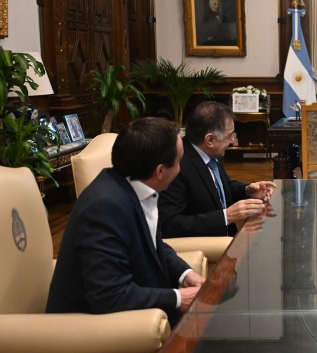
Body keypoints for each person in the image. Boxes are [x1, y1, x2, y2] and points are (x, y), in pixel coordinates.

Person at [46, 118, 205, 327]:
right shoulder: (104, 208)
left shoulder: (134, 186)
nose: (180, 170)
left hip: (137, 312)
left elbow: (152, 246)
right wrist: (178, 299)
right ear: (159, 171)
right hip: (91, 330)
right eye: (178, 163)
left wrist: (185, 275)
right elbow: (109, 296)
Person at [158, 101, 276, 238]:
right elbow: (170, 225)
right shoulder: (177, 165)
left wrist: (247, 190)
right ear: (210, 140)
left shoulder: (212, 153)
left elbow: (221, 189)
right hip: (204, 247)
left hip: (228, 240)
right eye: (229, 135)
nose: (233, 140)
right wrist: (226, 216)